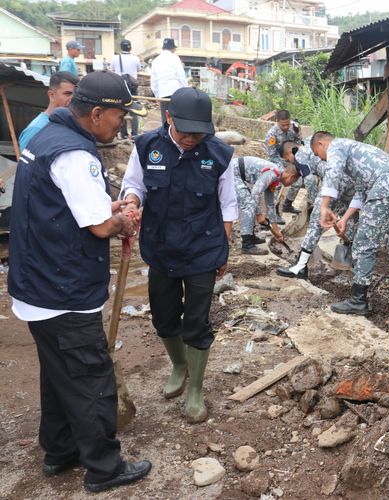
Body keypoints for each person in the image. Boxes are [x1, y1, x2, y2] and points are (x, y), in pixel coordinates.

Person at [7, 70, 151, 493]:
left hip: (36, 285)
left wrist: (106, 206)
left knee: (58, 374)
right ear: (96, 113)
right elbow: (101, 227)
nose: (120, 125)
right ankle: (104, 468)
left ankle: (60, 450)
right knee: (90, 378)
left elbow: (66, 204)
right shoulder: (76, 153)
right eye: (119, 116)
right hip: (62, 289)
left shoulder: (45, 138)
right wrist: (123, 220)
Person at [121, 87, 236, 424]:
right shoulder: (146, 147)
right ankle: (179, 364)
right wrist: (131, 202)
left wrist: (223, 248)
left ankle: (196, 389)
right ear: (169, 118)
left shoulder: (219, 154)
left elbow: (227, 204)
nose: (191, 139)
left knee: (196, 322)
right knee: (164, 318)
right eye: (186, 131)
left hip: (203, 249)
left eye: (199, 132)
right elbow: (134, 185)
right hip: (160, 247)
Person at [312, 131, 389, 314]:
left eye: (317, 154)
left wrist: (324, 206)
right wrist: (344, 219)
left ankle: (358, 300)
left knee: (363, 244)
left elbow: (332, 173)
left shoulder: (336, 146)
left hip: (385, 187)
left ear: (321, 144)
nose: (320, 159)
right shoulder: (357, 153)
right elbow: (361, 191)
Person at [276, 140, 357, 279]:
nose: (290, 162)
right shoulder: (310, 149)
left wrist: (316, 205)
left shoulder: (299, 155)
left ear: (289, 152)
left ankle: (300, 267)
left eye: (287, 159)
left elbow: (308, 180)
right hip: (351, 182)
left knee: (316, 222)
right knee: (348, 218)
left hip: (334, 182)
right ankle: (353, 259)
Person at [232, 155, 299, 255]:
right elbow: (255, 193)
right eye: (293, 182)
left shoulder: (276, 177)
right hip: (231, 173)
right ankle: (247, 244)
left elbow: (270, 204)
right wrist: (259, 215)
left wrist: (275, 229)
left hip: (237, 175)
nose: (290, 184)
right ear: (291, 176)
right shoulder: (273, 173)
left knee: (252, 203)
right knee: (249, 203)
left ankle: (250, 236)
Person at [18, 71, 79, 151]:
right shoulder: (36, 128)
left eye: (76, 94)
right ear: (52, 95)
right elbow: (26, 161)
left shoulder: (73, 123)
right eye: (67, 94)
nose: (72, 99)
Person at [264, 110, 303, 215]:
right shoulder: (271, 135)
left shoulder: (294, 127)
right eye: (283, 125)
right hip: (277, 160)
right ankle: (273, 212)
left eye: (287, 124)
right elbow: (272, 155)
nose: (286, 127)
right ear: (277, 121)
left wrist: (296, 160)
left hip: (291, 158)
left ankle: (287, 205)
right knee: (277, 184)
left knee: (298, 181)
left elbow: (299, 142)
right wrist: (282, 170)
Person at [150, 38, 188, 125]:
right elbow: (181, 76)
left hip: (163, 93)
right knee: (177, 117)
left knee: (166, 119)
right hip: (176, 91)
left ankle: (166, 137)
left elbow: (154, 82)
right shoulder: (175, 57)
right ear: (173, 48)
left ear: (163, 48)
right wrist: (185, 90)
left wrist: (157, 96)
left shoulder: (156, 60)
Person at [111, 39, 142, 139]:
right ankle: (134, 134)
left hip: (119, 87)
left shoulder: (115, 58)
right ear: (130, 48)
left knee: (121, 110)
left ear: (121, 48)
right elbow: (138, 69)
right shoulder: (136, 58)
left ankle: (123, 134)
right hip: (132, 88)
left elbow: (112, 70)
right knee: (134, 111)